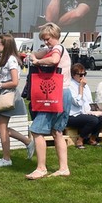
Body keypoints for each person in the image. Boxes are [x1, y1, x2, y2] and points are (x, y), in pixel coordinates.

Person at [25, 22, 71, 180]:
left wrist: (37, 62)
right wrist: (33, 56)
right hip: (64, 94)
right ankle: (64, 168)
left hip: (54, 95)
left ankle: (41, 168)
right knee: (57, 132)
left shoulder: (57, 49)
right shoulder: (52, 49)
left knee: (37, 130)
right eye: (44, 39)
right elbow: (37, 53)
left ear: (55, 36)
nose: (46, 42)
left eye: (48, 38)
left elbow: (53, 60)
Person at [0, 34, 33, 168]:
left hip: (8, 94)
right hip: (5, 94)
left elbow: (15, 82)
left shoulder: (11, 60)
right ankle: (27, 142)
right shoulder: (8, 58)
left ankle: (6, 158)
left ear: (6, 45)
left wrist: (0, 85)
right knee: (0, 127)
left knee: (1, 127)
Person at [65, 62, 102, 148]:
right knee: (93, 120)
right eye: (80, 75)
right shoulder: (69, 86)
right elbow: (78, 103)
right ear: (73, 75)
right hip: (72, 115)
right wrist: (80, 88)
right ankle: (80, 140)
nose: (83, 77)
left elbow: (88, 101)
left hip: (84, 112)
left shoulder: (85, 85)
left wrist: (95, 110)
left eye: (84, 74)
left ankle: (92, 138)